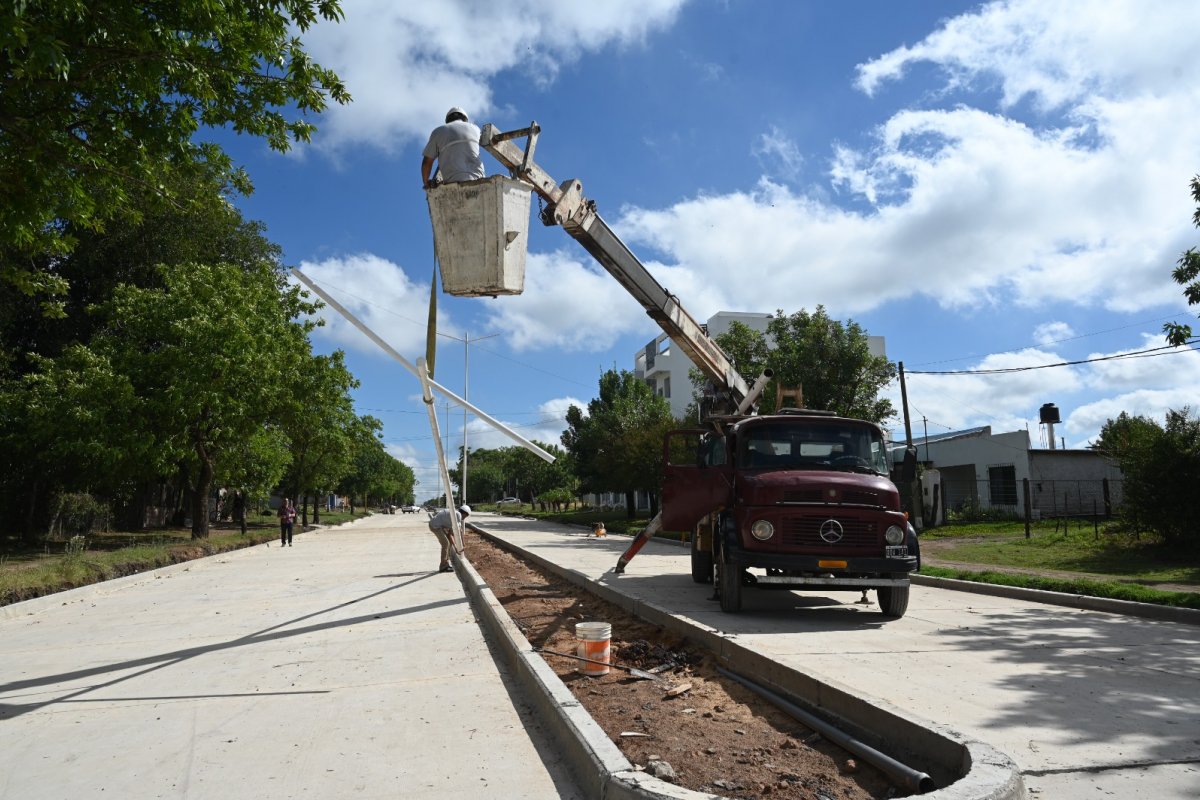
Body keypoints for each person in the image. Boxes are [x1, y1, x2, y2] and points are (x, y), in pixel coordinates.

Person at [421, 107, 485, 189]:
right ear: (465, 119)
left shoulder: (438, 131)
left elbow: (427, 162)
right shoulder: (475, 128)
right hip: (479, 179)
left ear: (448, 120)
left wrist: (426, 182)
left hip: (453, 182)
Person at [427, 504, 470, 573]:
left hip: (440, 526)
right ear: (465, 513)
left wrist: (462, 544)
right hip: (435, 526)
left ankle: (446, 563)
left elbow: (458, 532)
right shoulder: (458, 515)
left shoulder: (455, 515)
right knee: (446, 544)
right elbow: (453, 534)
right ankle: (443, 566)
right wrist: (456, 548)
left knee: (448, 543)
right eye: (466, 516)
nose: (465, 518)